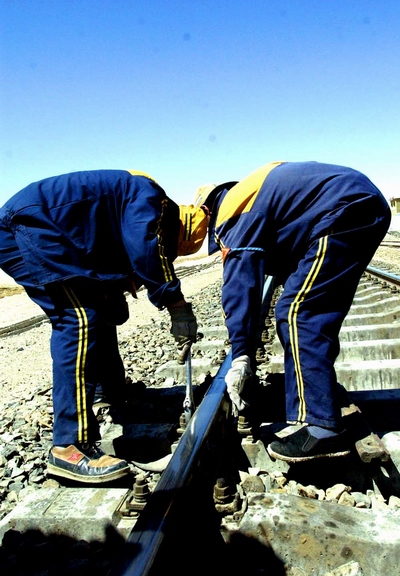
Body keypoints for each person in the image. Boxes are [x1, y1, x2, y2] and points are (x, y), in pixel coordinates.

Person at [0, 169, 209, 482]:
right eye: (173, 248)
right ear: (178, 227)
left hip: (39, 227)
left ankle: (108, 394)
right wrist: (176, 304)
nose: (169, 254)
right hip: (32, 225)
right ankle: (69, 446)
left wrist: (119, 284)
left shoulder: (128, 200)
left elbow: (114, 245)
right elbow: (147, 246)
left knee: (100, 309)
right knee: (79, 319)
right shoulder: (151, 198)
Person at [196, 161, 391, 462]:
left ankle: (323, 429)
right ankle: (323, 394)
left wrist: (241, 353)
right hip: (360, 204)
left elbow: (240, 284)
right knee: (313, 307)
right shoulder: (254, 194)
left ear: (207, 210)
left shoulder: (233, 211)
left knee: (297, 313)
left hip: (344, 210)